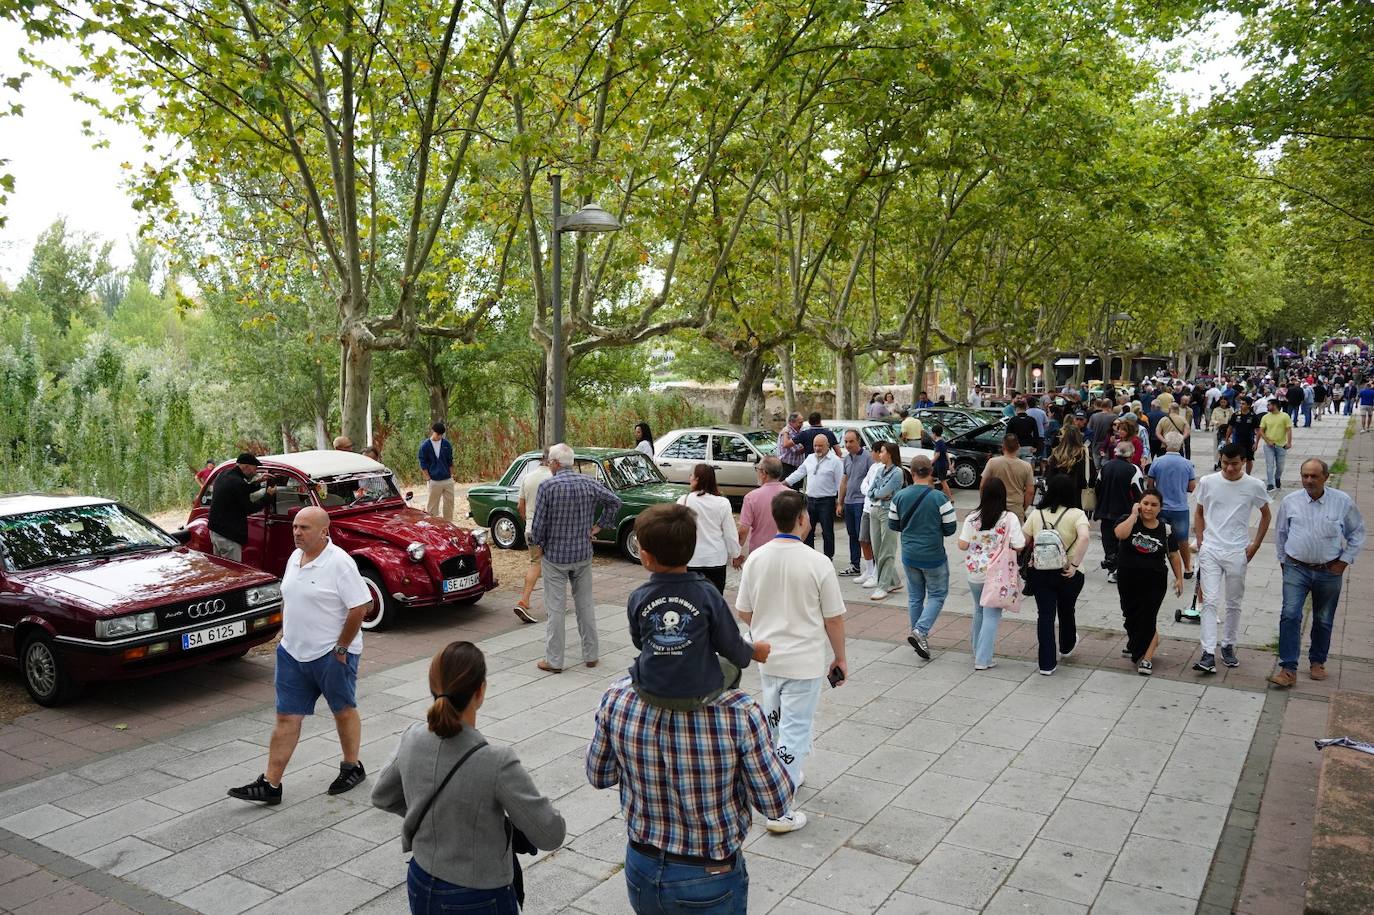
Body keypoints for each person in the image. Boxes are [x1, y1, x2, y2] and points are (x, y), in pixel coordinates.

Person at [587, 646, 791, 911]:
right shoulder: (739, 711)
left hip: (642, 863)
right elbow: (775, 803)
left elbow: (598, 775)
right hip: (709, 873)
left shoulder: (618, 695)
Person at [372, 642, 566, 915]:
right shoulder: (497, 761)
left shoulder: (412, 737)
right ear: (480, 691)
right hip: (477, 893)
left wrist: (434, 818)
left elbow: (381, 795)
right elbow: (550, 834)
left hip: (421, 877)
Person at [229, 507, 371, 804]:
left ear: (324, 532)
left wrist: (342, 648)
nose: (296, 532)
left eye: (304, 528)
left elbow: (360, 607)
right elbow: (290, 597)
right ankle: (271, 784)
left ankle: (352, 766)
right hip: (292, 653)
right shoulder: (295, 558)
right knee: (285, 717)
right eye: (295, 526)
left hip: (331, 655)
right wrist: (285, 634)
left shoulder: (340, 563)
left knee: (342, 709)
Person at [735, 489, 848, 835]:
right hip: (805, 660)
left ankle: (789, 775)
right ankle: (779, 809)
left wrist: (765, 628)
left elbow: (743, 610)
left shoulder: (757, 558)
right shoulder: (818, 562)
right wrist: (840, 657)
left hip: (767, 656)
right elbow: (833, 618)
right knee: (796, 729)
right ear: (802, 518)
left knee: (775, 723)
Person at [628, 503, 767, 707]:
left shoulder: (638, 597)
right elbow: (730, 646)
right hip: (697, 693)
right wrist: (754, 651)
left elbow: (640, 642)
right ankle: (721, 709)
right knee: (731, 667)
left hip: (648, 689)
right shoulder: (708, 593)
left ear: (646, 557)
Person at [1268, 459, 1366, 687]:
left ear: (1326, 477)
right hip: (1296, 568)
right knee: (1290, 614)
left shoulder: (1341, 502)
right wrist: (1284, 562)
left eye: (1314, 476)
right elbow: (1281, 533)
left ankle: (1317, 661)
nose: (1308, 481)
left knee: (1323, 619)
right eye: (1305, 476)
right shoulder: (1290, 501)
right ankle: (1288, 668)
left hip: (1329, 570)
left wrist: (1343, 562)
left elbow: (1357, 533)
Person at [527, 443, 622, 674]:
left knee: (556, 609)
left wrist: (535, 543)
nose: (549, 464)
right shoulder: (589, 483)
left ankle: (554, 660)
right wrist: (599, 527)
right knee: (585, 605)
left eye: (550, 461)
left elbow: (538, 524)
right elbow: (615, 502)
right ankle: (591, 655)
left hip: (555, 557)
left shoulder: (548, 486)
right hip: (582, 553)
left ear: (556, 463)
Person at [1192, 443, 1272, 674]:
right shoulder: (1208, 481)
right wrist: (1200, 539)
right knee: (1209, 601)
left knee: (1234, 602)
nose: (1229, 468)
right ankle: (1208, 652)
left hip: (1238, 550)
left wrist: (1255, 544)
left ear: (1244, 462)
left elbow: (1266, 514)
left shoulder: (1254, 485)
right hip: (1211, 549)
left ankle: (1228, 644)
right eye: (1225, 463)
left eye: (1234, 464)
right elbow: (1198, 511)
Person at [1021, 475, 1091, 676]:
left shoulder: (1037, 513)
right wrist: (1075, 564)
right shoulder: (1077, 514)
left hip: (1041, 573)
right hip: (1068, 572)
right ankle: (1066, 646)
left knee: (1045, 616)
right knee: (1067, 610)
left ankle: (1046, 664)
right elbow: (1085, 537)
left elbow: (1023, 541)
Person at [891, 456, 958, 660]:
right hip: (933, 555)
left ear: (911, 473)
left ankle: (918, 635)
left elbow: (894, 525)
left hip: (910, 555)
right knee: (937, 595)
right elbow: (950, 528)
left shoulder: (900, 497)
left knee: (915, 597)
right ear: (931, 473)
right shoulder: (939, 498)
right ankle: (920, 631)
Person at [958, 477, 1025, 672]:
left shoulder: (972, 517)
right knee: (992, 615)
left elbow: (962, 545)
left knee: (979, 610)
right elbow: (1020, 545)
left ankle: (976, 649)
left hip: (974, 573)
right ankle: (983, 658)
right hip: (997, 575)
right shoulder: (1009, 518)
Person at [1114, 493, 1184, 676]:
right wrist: (1133, 515)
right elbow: (1120, 534)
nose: (1148, 508)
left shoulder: (1165, 529)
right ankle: (1135, 644)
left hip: (1154, 580)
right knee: (1130, 616)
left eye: (1154, 505)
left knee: (1148, 618)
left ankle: (1146, 658)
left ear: (1160, 508)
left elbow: (1174, 555)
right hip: (1127, 578)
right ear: (1139, 504)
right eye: (1145, 503)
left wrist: (1179, 578)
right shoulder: (1129, 521)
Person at [675, 464, 740, 593]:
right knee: (715, 599)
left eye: (692, 475)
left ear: (697, 479)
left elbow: (678, 532)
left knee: (692, 600)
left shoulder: (683, 501)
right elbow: (730, 533)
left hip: (691, 558)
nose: (690, 478)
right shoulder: (722, 503)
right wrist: (735, 554)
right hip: (715, 559)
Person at [208, 452, 276, 562]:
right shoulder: (237, 482)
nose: (255, 472)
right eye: (255, 469)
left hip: (215, 531)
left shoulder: (224, 474)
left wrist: (257, 482)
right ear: (246, 467)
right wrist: (268, 496)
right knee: (233, 571)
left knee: (221, 567)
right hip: (228, 535)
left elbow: (239, 491)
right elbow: (249, 508)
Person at [785, 433, 844, 560]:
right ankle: (809, 556)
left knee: (827, 531)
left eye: (820, 446)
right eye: (815, 445)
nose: (817, 448)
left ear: (828, 445)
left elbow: (840, 483)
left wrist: (840, 502)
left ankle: (828, 557)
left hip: (826, 501)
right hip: (809, 500)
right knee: (807, 529)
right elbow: (800, 472)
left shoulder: (835, 461)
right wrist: (785, 482)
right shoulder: (810, 458)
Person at [1147, 431, 1197, 578]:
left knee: (1157, 537)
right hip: (1180, 508)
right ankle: (1187, 568)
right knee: (1182, 540)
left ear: (1166, 444)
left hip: (1160, 508)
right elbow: (1192, 487)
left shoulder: (1157, 462)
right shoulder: (1188, 464)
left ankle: (1155, 564)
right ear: (1181, 445)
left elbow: (1150, 485)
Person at [512, 450, 552, 624]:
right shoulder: (553, 478)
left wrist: (529, 519)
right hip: (549, 530)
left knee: (535, 563)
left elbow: (520, 506)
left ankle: (525, 601)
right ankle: (552, 604)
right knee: (553, 566)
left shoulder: (528, 477)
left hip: (530, 528)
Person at [862, 442, 905, 600]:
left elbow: (884, 491)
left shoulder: (898, 472)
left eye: (882, 452)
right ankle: (894, 580)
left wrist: (877, 493)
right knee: (878, 550)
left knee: (887, 550)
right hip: (875, 510)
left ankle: (883, 586)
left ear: (890, 454)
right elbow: (872, 491)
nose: (879, 454)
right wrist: (876, 493)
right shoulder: (880, 470)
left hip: (888, 512)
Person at [735, 456, 789, 566]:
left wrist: (736, 554)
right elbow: (806, 525)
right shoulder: (792, 496)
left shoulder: (751, 497)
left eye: (757, 469)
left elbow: (743, 530)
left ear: (764, 473)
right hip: (786, 552)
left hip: (759, 553)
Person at [836, 429, 873, 577]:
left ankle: (872, 566)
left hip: (862, 502)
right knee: (852, 534)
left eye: (851, 441)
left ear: (859, 441)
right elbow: (844, 481)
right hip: (849, 502)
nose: (848, 444)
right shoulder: (846, 459)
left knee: (862, 536)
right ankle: (855, 565)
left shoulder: (868, 458)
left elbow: (873, 479)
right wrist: (840, 502)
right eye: (845, 441)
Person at [981, 434, 1035, 523]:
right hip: (1016, 509)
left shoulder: (992, 462)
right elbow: (1030, 492)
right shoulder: (1026, 466)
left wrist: (984, 503)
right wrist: (1023, 507)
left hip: (994, 507)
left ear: (1003, 447)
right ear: (1018, 447)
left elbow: (983, 485)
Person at [418, 422, 456, 522]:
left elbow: (450, 461)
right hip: (434, 480)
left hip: (447, 479)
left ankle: (448, 525)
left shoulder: (446, 444)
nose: (439, 436)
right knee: (432, 506)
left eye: (441, 435)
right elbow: (423, 463)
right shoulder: (425, 446)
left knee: (449, 504)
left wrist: (452, 476)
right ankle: (433, 525)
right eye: (437, 434)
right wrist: (428, 478)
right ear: (433, 432)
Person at [1047, 425, 1090, 510]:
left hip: (1058, 493)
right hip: (1078, 494)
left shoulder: (1057, 452)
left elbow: (1050, 475)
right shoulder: (1084, 453)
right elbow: (1090, 474)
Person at [1259, 398, 1293, 491]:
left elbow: (1289, 430)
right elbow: (1261, 431)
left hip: (1281, 445)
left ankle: (1277, 478)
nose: (1267, 406)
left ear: (1275, 405)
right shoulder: (1265, 417)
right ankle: (1270, 483)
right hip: (1269, 445)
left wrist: (1289, 442)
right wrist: (1267, 441)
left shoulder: (1285, 416)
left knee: (1280, 467)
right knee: (1269, 465)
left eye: (1269, 405)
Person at [1227, 397, 1261, 476]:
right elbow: (1230, 427)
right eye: (1240, 403)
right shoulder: (1235, 415)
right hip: (1237, 441)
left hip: (1249, 441)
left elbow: (1258, 430)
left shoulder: (1253, 416)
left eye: (1243, 404)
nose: (1241, 405)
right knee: (1236, 459)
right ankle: (1237, 473)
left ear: (1248, 405)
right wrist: (1227, 439)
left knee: (1249, 459)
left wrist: (1256, 443)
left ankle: (1248, 475)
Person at [777, 412, 806, 477]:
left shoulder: (800, 430)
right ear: (792, 422)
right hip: (787, 467)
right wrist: (809, 446)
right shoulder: (787, 432)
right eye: (800, 422)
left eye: (802, 422)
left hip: (796, 466)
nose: (802, 425)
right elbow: (797, 451)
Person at [929, 423, 953, 498]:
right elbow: (946, 453)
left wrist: (930, 462)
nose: (931, 435)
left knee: (943, 481)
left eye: (932, 433)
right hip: (939, 464)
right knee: (930, 478)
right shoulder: (942, 442)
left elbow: (937, 454)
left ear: (934, 433)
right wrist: (949, 464)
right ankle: (932, 494)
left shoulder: (939, 443)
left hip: (940, 464)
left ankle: (950, 498)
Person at [1210, 396, 1234, 470]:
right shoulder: (1216, 410)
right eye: (1221, 402)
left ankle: (1225, 461)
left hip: (1227, 430)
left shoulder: (1230, 409)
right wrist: (1217, 423)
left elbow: (1232, 418)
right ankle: (1216, 462)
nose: (1223, 404)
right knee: (1217, 447)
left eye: (1224, 402)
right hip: (1218, 430)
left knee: (1226, 446)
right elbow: (1212, 419)